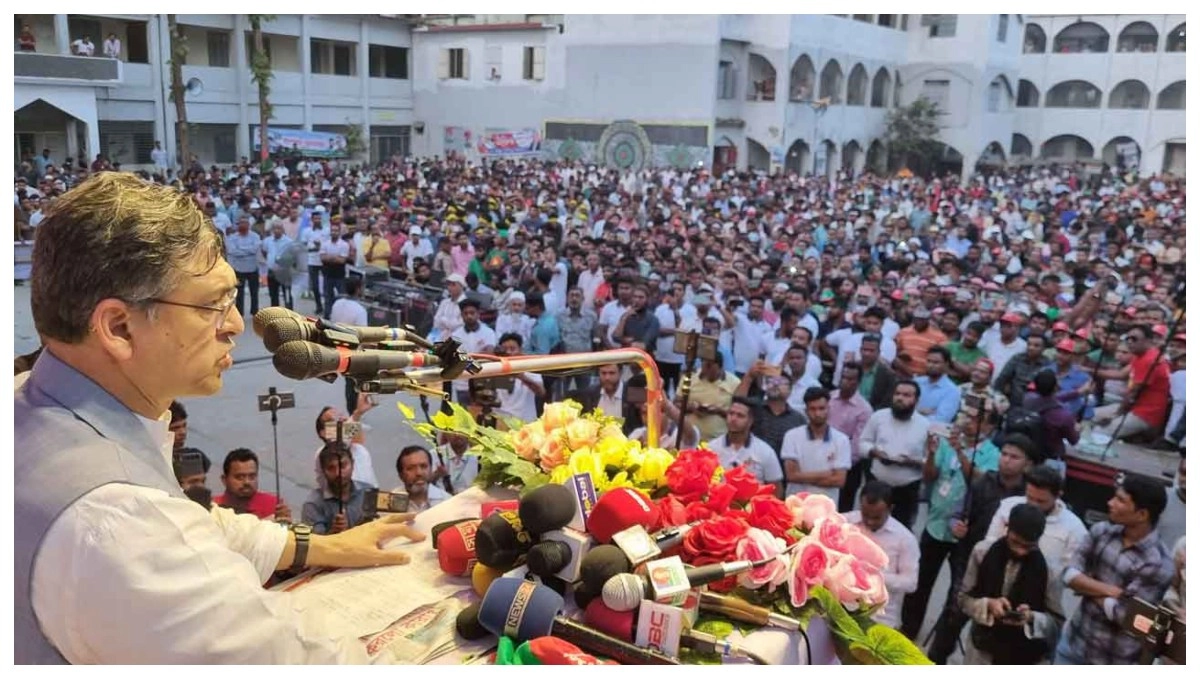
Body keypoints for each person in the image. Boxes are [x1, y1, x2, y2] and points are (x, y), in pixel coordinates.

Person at [15, 172, 423, 663]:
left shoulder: (32, 401)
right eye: (212, 305)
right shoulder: (115, 521)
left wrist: (322, 548)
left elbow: (197, 523)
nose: (233, 326)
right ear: (119, 328)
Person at [926, 431, 1039, 663]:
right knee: (953, 615)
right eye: (1004, 454)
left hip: (1010, 568)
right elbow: (959, 513)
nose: (1006, 460)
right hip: (970, 561)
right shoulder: (982, 483)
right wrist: (957, 525)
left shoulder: (1030, 495)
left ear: (1028, 464)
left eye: (1014, 457)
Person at [1055, 476, 1175, 665]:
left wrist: (1087, 585)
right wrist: (1114, 592)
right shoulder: (1101, 531)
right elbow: (1069, 575)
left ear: (1142, 514)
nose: (1110, 503)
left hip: (1112, 659)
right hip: (1073, 644)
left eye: (1120, 500)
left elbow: (1125, 615)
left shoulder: (1159, 563)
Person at [959, 503, 1063, 665]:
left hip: (1026, 656)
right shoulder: (982, 552)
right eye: (1016, 542)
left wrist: (1031, 618)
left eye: (1028, 546)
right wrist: (988, 606)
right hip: (982, 651)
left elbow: (1056, 624)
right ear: (1007, 528)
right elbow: (963, 599)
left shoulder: (1050, 571)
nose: (1021, 551)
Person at [985, 464, 1089, 618]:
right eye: (1029, 498)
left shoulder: (1075, 529)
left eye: (1041, 501)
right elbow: (989, 545)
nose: (1033, 505)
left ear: (1058, 495)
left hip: (1041, 602)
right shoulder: (1008, 507)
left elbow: (1071, 574)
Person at [843, 481, 920, 629]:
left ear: (890, 509)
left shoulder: (905, 539)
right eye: (866, 515)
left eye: (877, 517)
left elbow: (910, 583)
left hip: (881, 618)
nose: (870, 521)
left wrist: (872, 575)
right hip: (842, 608)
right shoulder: (846, 522)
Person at [860, 381, 931, 529]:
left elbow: (929, 459)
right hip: (877, 485)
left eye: (906, 395)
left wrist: (913, 462)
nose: (900, 398)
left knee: (901, 529)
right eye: (897, 394)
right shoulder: (878, 417)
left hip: (906, 490)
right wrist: (875, 452)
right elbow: (863, 443)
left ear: (916, 400)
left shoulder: (925, 425)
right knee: (868, 526)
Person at [1093, 324, 1171, 441]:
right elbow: (1121, 375)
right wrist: (1088, 370)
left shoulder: (1150, 360)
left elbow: (1132, 394)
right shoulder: (1141, 355)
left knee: (1100, 431)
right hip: (1134, 408)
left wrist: (1114, 415)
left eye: (1134, 339)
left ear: (1148, 341)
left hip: (1145, 414)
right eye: (1127, 338)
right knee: (1091, 414)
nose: (1130, 342)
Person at [780, 387, 853, 503]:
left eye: (821, 408)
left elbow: (839, 480)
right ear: (806, 411)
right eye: (812, 409)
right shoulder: (791, 436)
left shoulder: (842, 440)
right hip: (796, 505)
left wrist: (802, 476)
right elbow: (791, 475)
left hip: (827, 507)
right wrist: (826, 474)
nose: (817, 413)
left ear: (828, 409)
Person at [706, 397, 785, 496]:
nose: (733, 419)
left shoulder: (765, 451)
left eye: (740, 416)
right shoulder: (711, 448)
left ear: (751, 421)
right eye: (731, 414)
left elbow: (777, 490)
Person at [830, 363, 874, 512]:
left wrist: (837, 461)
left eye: (850, 379)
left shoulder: (864, 409)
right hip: (820, 458)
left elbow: (856, 445)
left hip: (847, 466)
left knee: (842, 509)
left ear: (858, 382)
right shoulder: (829, 398)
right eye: (843, 377)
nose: (845, 382)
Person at [303, 442, 371, 535]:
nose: (338, 473)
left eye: (343, 466)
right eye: (331, 468)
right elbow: (314, 544)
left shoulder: (369, 493)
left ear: (353, 464)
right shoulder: (313, 504)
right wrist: (333, 532)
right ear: (323, 471)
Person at [214, 448, 292, 522]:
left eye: (252, 476)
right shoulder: (212, 507)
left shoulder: (274, 506)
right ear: (224, 480)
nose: (247, 482)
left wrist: (286, 524)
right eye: (240, 477)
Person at [330, 277, 369, 413]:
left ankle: (352, 415)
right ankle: (354, 417)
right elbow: (363, 336)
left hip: (339, 348)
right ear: (358, 289)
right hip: (354, 353)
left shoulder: (337, 303)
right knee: (355, 388)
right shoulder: (359, 310)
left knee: (349, 386)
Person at [225, 215, 262, 318]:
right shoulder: (233, 237)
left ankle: (255, 312)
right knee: (239, 292)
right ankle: (239, 312)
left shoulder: (255, 236)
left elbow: (254, 249)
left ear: (249, 225)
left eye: (245, 223)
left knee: (254, 292)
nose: (243, 225)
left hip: (252, 268)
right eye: (241, 223)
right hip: (238, 268)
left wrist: (241, 249)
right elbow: (232, 251)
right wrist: (247, 251)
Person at [392, 445, 449, 512]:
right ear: (401, 475)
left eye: (423, 466)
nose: (419, 473)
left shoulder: (446, 501)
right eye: (411, 468)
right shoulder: (390, 502)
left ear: (431, 470)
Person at [914, 346, 961, 424]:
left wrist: (914, 412)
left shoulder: (952, 391)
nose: (930, 365)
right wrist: (920, 411)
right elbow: (904, 408)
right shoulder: (917, 382)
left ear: (946, 364)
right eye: (928, 361)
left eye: (936, 362)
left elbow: (941, 420)